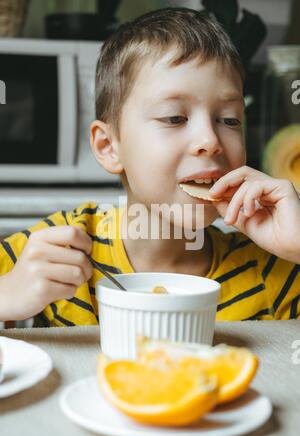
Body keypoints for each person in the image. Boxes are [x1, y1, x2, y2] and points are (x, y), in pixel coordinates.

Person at [0, 7, 300, 327]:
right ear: (108, 147)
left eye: (229, 119)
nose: (210, 140)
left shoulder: (271, 272)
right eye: (174, 117)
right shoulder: (53, 248)